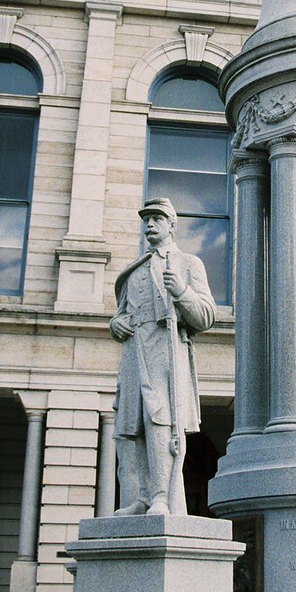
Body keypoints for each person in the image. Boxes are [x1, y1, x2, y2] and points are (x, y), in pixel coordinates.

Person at [110, 197, 216, 516]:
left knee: (160, 421)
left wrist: (181, 292)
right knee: (130, 427)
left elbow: (206, 316)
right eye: (147, 219)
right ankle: (140, 497)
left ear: (172, 224)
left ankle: (161, 496)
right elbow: (121, 315)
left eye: (157, 218)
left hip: (166, 350)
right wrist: (117, 324)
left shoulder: (187, 263)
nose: (150, 224)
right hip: (135, 352)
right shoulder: (135, 271)